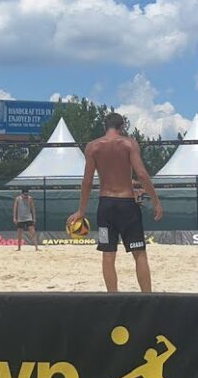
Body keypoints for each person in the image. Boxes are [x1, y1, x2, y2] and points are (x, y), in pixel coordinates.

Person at [68, 112, 163, 292]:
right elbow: (142, 174)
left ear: (106, 126)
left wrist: (81, 211)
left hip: (106, 208)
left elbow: (87, 181)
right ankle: (147, 298)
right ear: (122, 127)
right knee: (139, 253)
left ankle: (113, 298)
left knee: (108, 254)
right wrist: (156, 200)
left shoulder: (92, 147)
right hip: (127, 204)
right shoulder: (129, 144)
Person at [13, 187, 39, 252]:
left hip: (28, 217)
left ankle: (36, 247)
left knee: (33, 232)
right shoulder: (18, 199)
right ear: (22, 194)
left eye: (27, 194)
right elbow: (15, 209)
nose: (26, 196)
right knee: (19, 234)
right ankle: (19, 248)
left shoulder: (30, 199)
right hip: (20, 218)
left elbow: (33, 209)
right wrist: (14, 218)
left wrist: (34, 218)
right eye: (25, 195)